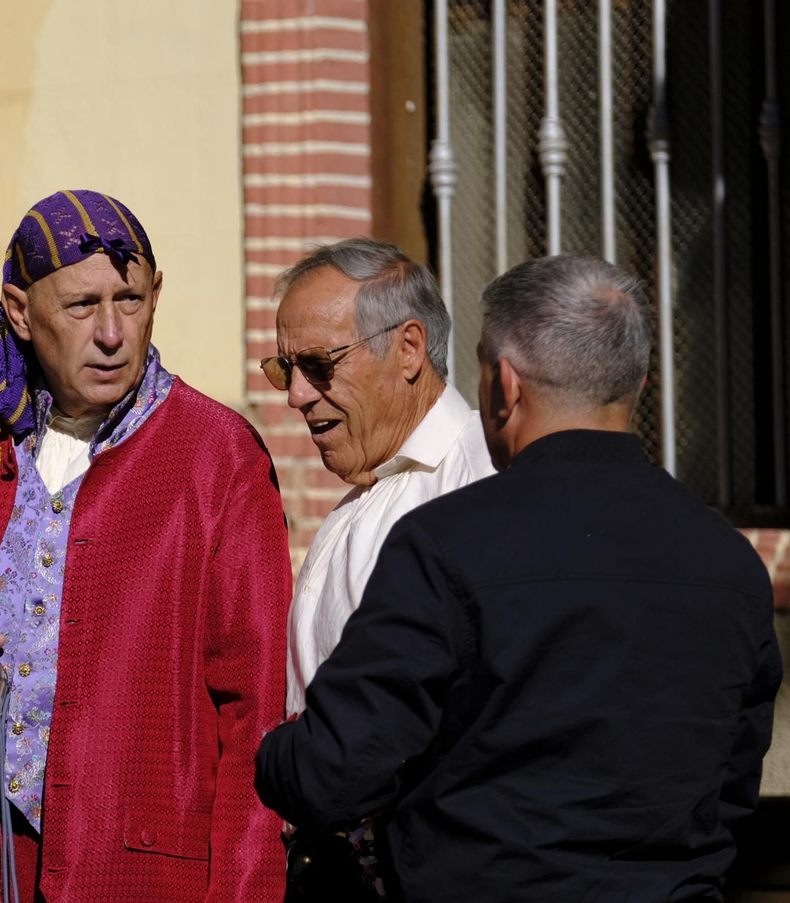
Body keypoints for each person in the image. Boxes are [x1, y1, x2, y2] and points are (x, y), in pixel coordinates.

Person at [255, 254, 783, 902]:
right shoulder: (732, 566)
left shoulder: (446, 544)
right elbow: (731, 791)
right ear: (638, 381)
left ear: (503, 383)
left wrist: (273, 750)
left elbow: (333, 770)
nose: (296, 391)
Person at [0, 190, 290, 902]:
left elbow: (256, 713)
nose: (113, 332)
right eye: (82, 306)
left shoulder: (218, 458)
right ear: (20, 312)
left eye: (132, 299)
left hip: (140, 875)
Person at [265, 238, 493, 896]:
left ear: (410, 348)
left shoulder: (479, 473)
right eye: (285, 370)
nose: (297, 396)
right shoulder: (357, 501)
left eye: (318, 364)